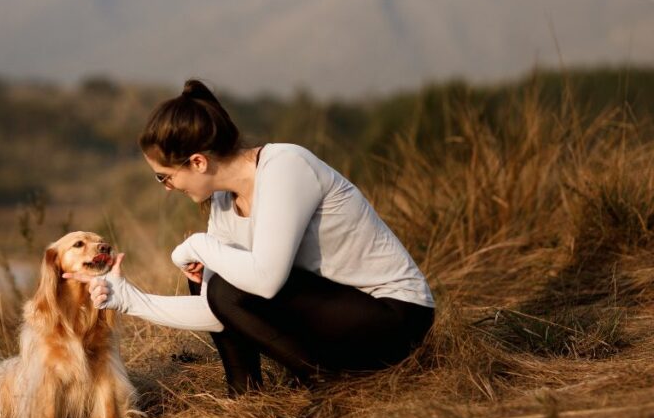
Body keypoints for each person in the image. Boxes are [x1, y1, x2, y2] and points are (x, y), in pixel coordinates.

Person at [65, 79, 434, 396]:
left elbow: (266, 281)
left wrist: (199, 245)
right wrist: (130, 300)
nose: (166, 188)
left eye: (165, 176)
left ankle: (327, 383)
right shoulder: (223, 202)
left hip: (393, 318)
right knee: (209, 281)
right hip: (338, 315)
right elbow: (221, 310)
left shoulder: (286, 166)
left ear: (197, 162)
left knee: (222, 276)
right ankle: (245, 391)